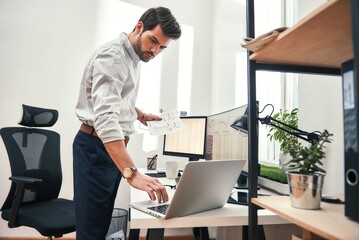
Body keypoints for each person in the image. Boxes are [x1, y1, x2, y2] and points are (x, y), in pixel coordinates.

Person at [73, 7, 181, 239]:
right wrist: (132, 174)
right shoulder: (113, 57)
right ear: (139, 27)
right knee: (92, 230)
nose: (155, 50)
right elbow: (105, 118)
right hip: (96, 148)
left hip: (107, 149)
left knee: (100, 223)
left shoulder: (133, 56)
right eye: (153, 41)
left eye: (162, 47)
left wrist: (139, 114)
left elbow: (115, 99)